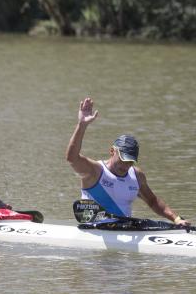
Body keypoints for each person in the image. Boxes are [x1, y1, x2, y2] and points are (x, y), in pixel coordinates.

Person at [65, 97, 189, 226]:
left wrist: (176, 219)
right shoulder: (95, 171)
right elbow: (72, 158)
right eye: (123, 159)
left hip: (125, 229)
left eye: (130, 161)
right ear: (112, 151)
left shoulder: (137, 176)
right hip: (95, 231)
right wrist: (82, 125)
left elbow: (153, 201)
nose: (126, 165)